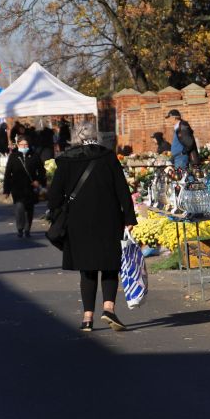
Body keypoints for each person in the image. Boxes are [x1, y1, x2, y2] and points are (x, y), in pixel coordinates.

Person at [47, 122, 136, 332]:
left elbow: (53, 197)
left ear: (74, 139)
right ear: (96, 136)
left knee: (87, 269)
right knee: (109, 265)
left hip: (78, 221)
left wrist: (60, 211)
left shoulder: (66, 161)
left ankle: (87, 318)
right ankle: (109, 309)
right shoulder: (107, 157)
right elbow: (122, 189)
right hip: (109, 218)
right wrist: (129, 218)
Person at [3, 133, 48, 238]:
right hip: (17, 187)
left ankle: (27, 229)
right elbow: (8, 173)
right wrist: (6, 190)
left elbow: (42, 171)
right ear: (18, 145)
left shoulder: (35, 156)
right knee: (19, 207)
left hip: (31, 187)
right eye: (22, 144)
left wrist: (39, 181)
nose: (24, 147)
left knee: (29, 209)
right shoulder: (13, 156)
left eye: (26, 145)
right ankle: (20, 228)